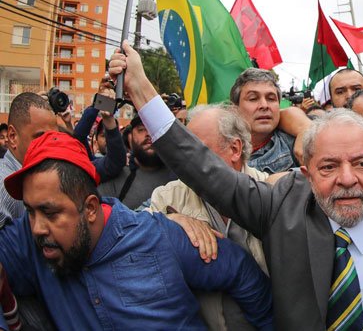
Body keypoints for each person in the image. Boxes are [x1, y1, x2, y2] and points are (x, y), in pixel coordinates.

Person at [109, 41, 363, 330]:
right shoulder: (281, 212)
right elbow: (202, 167)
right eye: (329, 166)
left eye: (361, 164)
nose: (347, 179)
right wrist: (141, 89)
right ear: (305, 172)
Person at [0, 131, 274, 330]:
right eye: (30, 211)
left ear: (91, 208)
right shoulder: (28, 240)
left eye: (49, 213)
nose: (37, 227)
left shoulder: (159, 236)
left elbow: (240, 271)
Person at [148, 104, 282, 331]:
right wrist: (167, 222)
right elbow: (135, 239)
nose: (189, 160)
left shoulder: (273, 194)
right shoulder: (168, 197)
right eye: (184, 151)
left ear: (235, 149)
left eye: (198, 151)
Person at [0, 93, 58, 227]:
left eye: (53, 138)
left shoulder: (35, 176)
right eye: (40, 137)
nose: (49, 145)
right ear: (13, 136)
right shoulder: (4, 189)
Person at [98, 114, 176, 209]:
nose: (148, 134)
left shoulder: (180, 176)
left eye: (154, 128)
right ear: (130, 137)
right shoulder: (116, 174)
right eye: (141, 129)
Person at [230, 68, 301, 173]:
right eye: (253, 98)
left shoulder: (297, 144)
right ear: (235, 108)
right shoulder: (218, 150)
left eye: (271, 99)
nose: (264, 105)